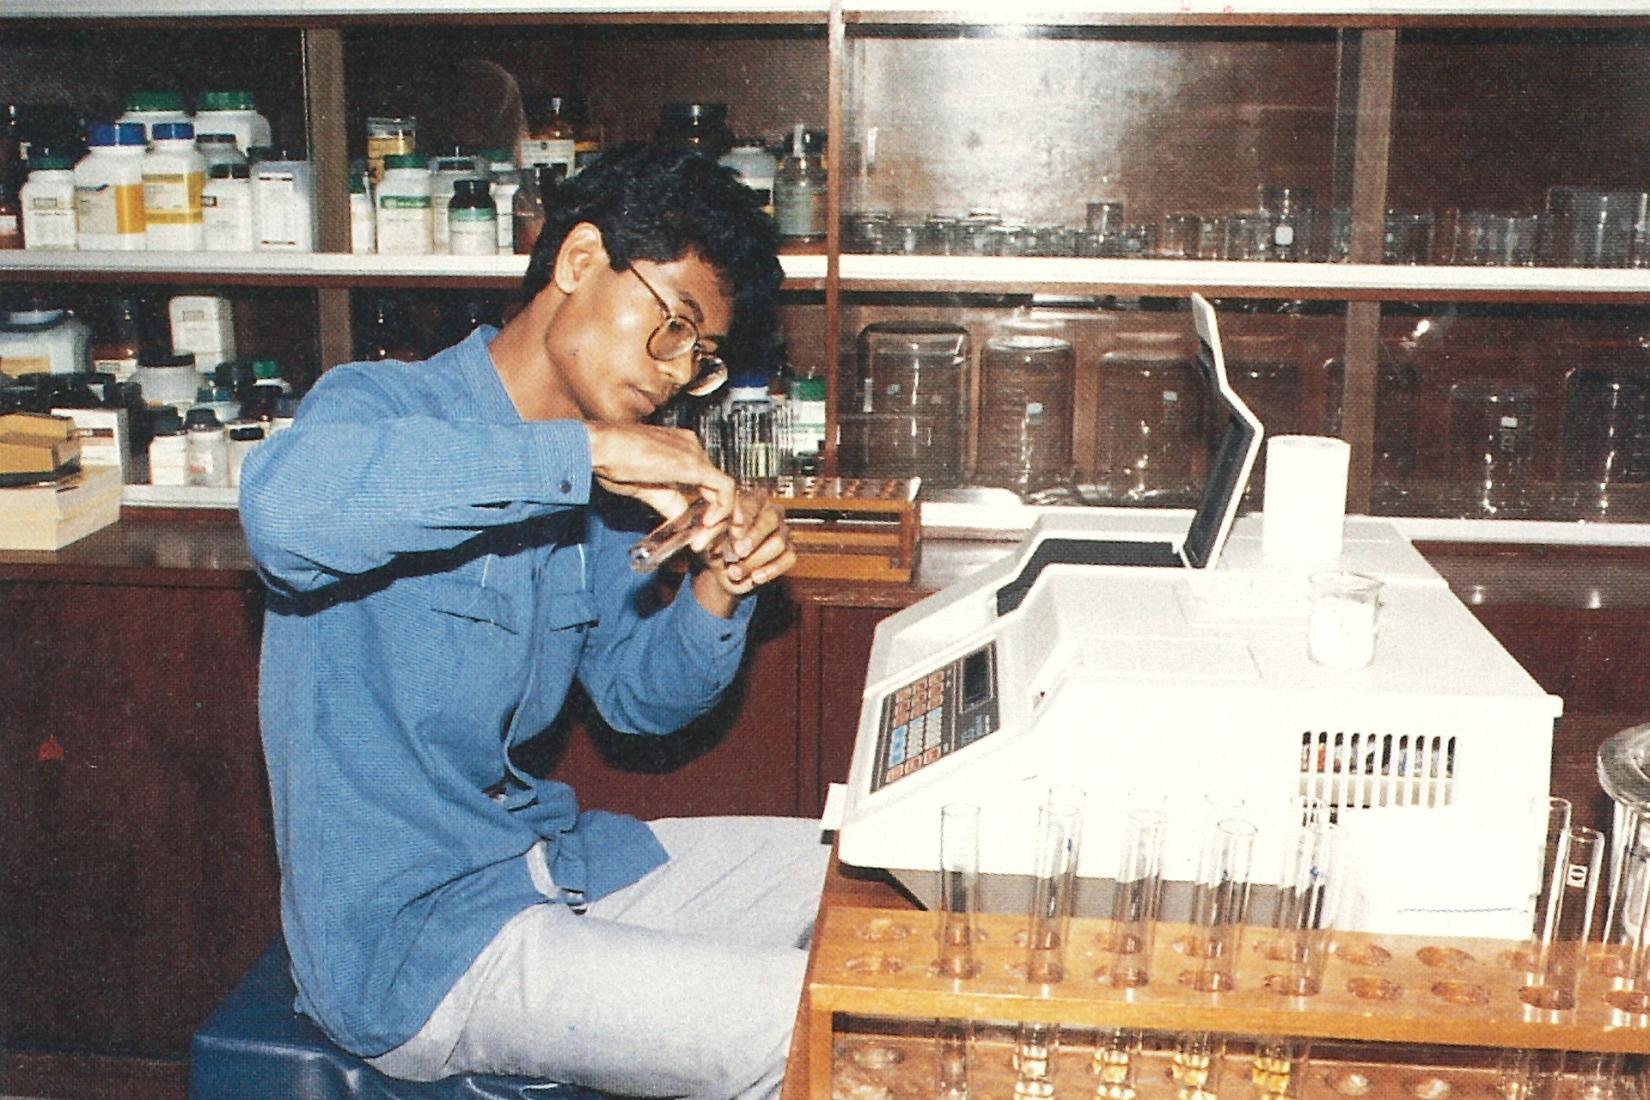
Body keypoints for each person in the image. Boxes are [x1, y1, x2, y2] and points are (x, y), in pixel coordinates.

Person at [239, 143, 829, 1100]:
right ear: (580, 261)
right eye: (672, 327)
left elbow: (640, 701)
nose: (678, 373)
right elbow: (283, 515)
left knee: (858, 872)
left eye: (702, 355)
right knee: (807, 1029)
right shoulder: (382, 405)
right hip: (418, 945)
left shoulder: (591, 496)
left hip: (550, 865)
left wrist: (721, 585)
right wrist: (572, 454)